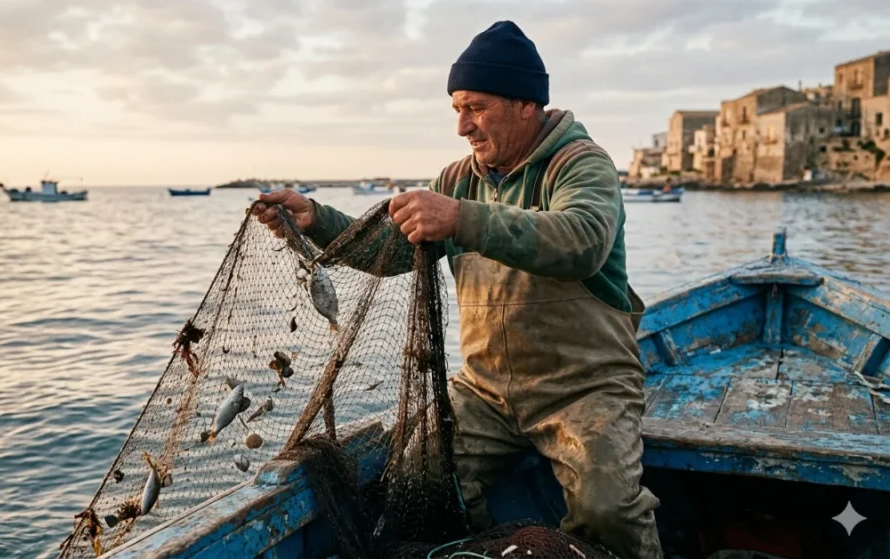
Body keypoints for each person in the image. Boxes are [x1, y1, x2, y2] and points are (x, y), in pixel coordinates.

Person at [254, 20, 662, 559]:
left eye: (475, 108)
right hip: (484, 390)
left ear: (525, 104)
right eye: (456, 109)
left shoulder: (581, 164)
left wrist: (461, 218)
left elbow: (582, 239)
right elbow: (395, 250)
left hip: (586, 389)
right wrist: (318, 219)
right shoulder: (457, 179)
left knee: (608, 507)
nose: (463, 125)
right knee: (416, 474)